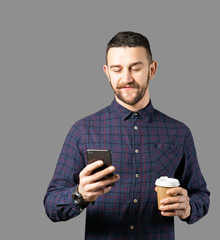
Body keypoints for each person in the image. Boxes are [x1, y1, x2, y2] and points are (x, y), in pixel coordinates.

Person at [44, 31, 210, 239]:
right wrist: (80, 194)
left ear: (152, 69)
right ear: (107, 72)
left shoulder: (179, 132)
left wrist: (188, 207)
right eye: (117, 69)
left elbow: (201, 196)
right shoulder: (83, 130)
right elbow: (51, 206)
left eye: (135, 68)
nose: (126, 78)